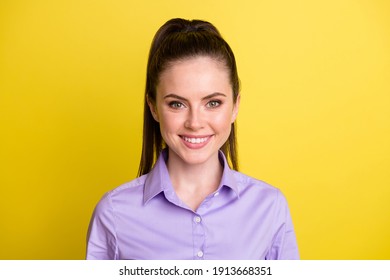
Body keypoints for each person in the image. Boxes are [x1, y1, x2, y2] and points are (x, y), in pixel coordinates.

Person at [86, 18, 299, 260]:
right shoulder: (113, 214)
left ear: (235, 106)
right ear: (153, 107)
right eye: (177, 104)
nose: (195, 122)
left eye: (213, 103)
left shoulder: (270, 208)